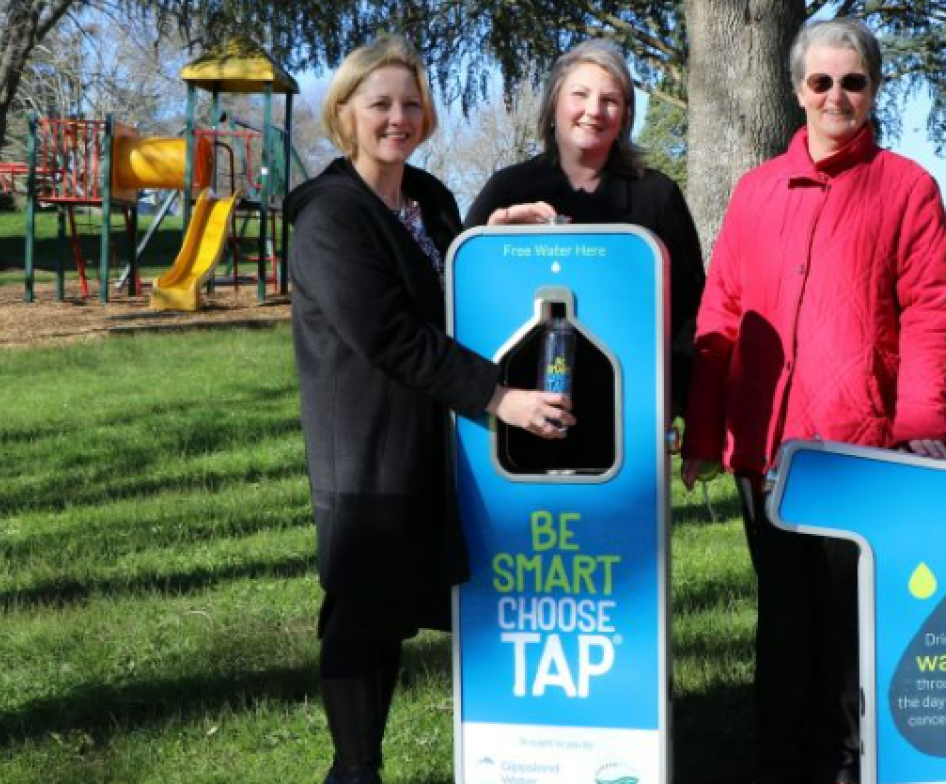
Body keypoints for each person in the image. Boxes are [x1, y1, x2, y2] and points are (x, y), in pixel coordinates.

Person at [680, 18, 946, 784]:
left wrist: (918, 425)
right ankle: (778, 762)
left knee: (848, 626)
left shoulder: (907, 188)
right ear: (797, 90)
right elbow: (721, 318)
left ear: (873, 89)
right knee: (783, 620)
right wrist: (704, 432)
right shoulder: (755, 190)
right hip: (765, 448)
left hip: (858, 446)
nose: (837, 95)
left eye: (853, 81)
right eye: (821, 82)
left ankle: (845, 765)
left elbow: (933, 309)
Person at [284, 35, 574, 784]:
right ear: (345, 112)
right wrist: (499, 396)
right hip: (370, 441)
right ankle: (354, 769)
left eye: (411, 103)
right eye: (380, 103)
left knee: (409, 600)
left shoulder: (431, 199)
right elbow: (388, 334)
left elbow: (456, 289)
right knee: (361, 608)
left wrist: (492, 241)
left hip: (439, 439)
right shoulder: (330, 216)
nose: (398, 117)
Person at [464, 38, 706, 413]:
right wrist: (494, 245)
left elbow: (690, 309)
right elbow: (465, 298)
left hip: (629, 406)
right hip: (520, 404)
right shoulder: (506, 190)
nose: (594, 110)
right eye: (580, 95)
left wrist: (674, 402)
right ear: (554, 105)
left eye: (610, 100)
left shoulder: (657, 195)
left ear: (626, 115)